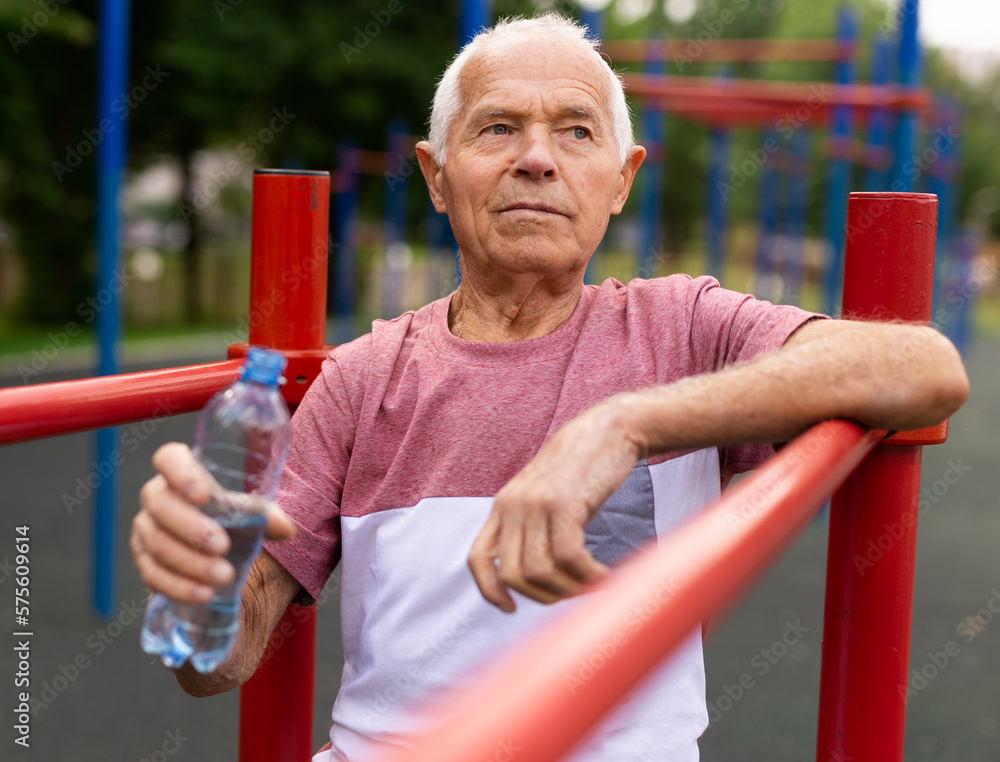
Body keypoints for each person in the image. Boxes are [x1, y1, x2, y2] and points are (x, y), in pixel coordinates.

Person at [130, 13, 969, 762]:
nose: (537, 159)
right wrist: (194, 587)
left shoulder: (680, 328)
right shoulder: (363, 376)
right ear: (435, 173)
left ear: (621, 177)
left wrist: (626, 425)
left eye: (575, 132)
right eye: (498, 128)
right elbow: (220, 663)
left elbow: (924, 370)